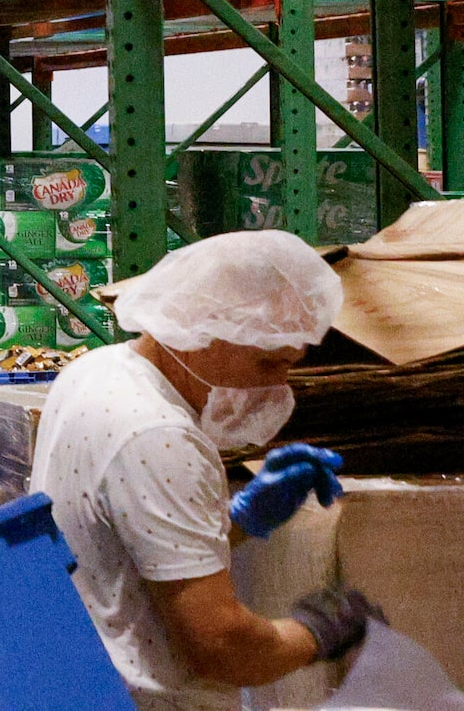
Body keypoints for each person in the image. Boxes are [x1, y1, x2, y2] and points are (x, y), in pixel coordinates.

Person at [30, 229, 378, 709]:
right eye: (267, 363)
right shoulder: (157, 434)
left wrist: (240, 519)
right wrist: (319, 631)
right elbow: (223, 648)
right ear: (202, 331)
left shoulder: (98, 370)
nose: (280, 387)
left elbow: (136, 549)